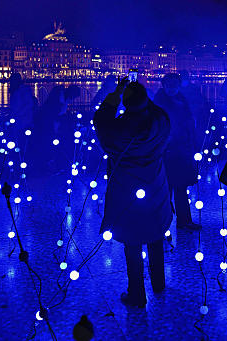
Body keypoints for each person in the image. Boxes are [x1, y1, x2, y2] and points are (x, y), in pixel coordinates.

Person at [94, 79, 172, 307]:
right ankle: (159, 283)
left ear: (125, 103)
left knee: (132, 240)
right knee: (156, 232)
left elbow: (100, 119)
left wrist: (117, 92)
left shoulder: (116, 130)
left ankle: (136, 293)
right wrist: (141, 94)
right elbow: (158, 110)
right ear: (145, 100)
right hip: (155, 183)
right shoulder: (160, 120)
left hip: (126, 189)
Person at [154, 73, 200, 231]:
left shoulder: (182, 102)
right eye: (169, 85)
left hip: (181, 152)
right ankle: (162, 222)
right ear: (164, 85)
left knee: (180, 188)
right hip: (167, 152)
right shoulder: (160, 104)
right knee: (166, 189)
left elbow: (188, 126)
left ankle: (183, 221)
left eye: (174, 85)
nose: (172, 88)